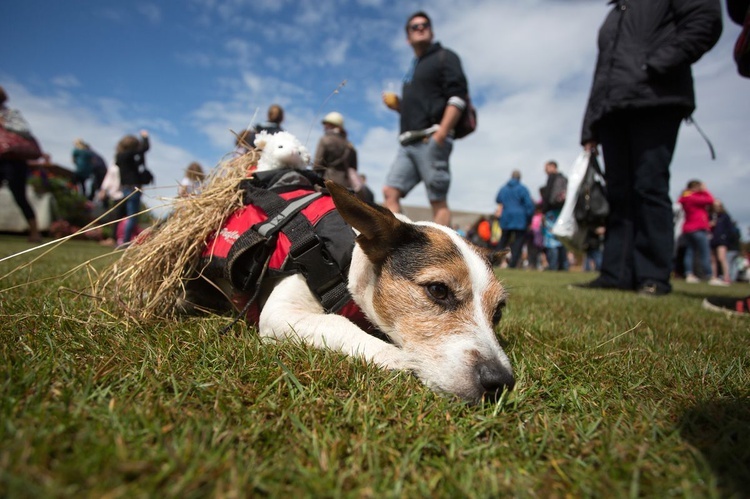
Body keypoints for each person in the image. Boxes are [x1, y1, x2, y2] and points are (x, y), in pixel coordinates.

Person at [575, 0, 722, 296]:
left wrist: (656, 64)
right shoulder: (615, 13)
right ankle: (615, 273)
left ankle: (652, 275)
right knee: (618, 194)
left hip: (655, 98)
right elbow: (602, 73)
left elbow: (705, 20)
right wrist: (590, 125)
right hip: (612, 109)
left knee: (649, 186)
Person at [381, 11, 469, 226]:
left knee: (437, 199)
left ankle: (443, 258)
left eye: (424, 25)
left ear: (431, 30)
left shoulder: (445, 56)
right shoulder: (414, 67)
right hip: (408, 142)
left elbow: (458, 97)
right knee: (390, 192)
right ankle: (396, 250)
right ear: (408, 37)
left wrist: (442, 133)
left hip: (432, 138)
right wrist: (400, 107)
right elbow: (420, 107)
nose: (420, 28)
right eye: (414, 27)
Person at [0, 86, 42, 243]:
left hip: (13, 160)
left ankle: (34, 232)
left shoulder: (10, 114)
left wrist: (5, 124)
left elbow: (25, 130)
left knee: (19, 195)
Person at [116, 130, 150, 246]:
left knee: (128, 215)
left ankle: (124, 239)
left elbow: (137, 162)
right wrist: (145, 137)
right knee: (132, 216)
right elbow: (145, 148)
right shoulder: (128, 155)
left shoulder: (120, 156)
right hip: (132, 188)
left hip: (125, 188)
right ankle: (125, 241)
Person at [494, 170, 534, 268]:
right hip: (520, 218)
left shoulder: (503, 189)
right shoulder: (523, 189)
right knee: (518, 242)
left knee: (503, 241)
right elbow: (529, 205)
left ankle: (494, 261)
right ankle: (512, 264)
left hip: (506, 217)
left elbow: (497, 199)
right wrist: (529, 218)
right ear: (519, 178)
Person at [313, 112, 361, 192]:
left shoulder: (325, 140)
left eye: (326, 124)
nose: (324, 127)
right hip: (347, 187)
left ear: (331, 125)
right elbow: (354, 168)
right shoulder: (350, 146)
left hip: (328, 185)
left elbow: (317, 165)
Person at [678, 180, 715, 283]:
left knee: (690, 252)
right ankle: (709, 275)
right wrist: (705, 190)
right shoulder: (693, 197)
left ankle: (689, 274)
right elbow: (710, 200)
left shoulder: (685, 197)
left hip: (688, 228)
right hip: (698, 228)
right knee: (705, 252)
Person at [540, 161, 568, 271]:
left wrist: (543, 211)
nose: (545, 171)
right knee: (561, 238)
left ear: (552, 167)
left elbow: (547, 197)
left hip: (551, 213)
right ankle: (563, 265)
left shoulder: (552, 178)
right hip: (562, 212)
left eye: (546, 168)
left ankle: (553, 265)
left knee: (551, 239)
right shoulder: (564, 179)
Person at [709, 200, 736, 285]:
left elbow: (730, 229)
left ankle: (726, 277)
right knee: (712, 259)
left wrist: (726, 237)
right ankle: (714, 277)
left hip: (722, 240)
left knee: (722, 258)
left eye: (718, 206)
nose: (716, 207)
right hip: (712, 239)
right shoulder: (711, 216)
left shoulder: (725, 217)